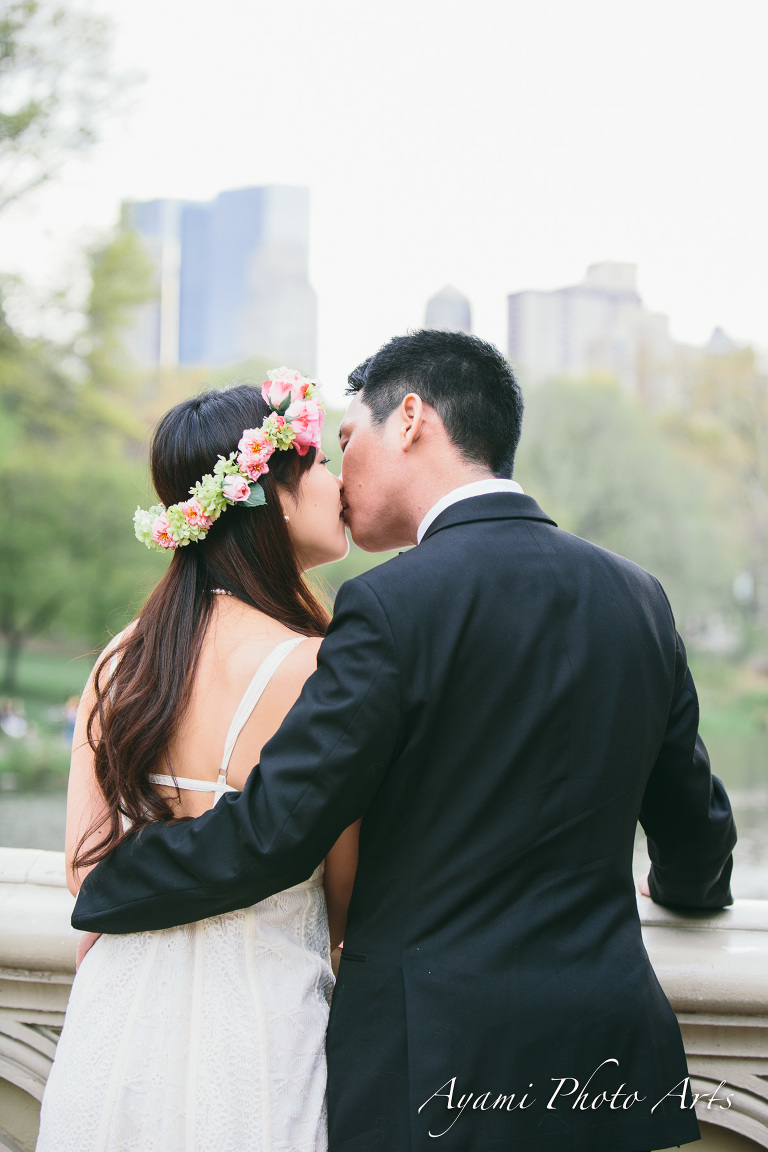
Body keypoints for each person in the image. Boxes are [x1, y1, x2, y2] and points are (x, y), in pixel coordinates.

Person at [74, 330, 736, 1152]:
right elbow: (697, 831)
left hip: (434, 1072)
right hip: (605, 1066)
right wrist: (686, 892)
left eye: (348, 439)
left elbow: (274, 833)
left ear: (412, 420)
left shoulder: (390, 606)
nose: (340, 471)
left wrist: (106, 885)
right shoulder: (638, 598)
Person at [37, 374, 358, 1152]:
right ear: (274, 494)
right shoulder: (314, 668)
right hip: (259, 1021)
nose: (340, 482)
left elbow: (85, 867)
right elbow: (347, 892)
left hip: (119, 1013)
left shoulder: (122, 659)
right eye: (320, 463)